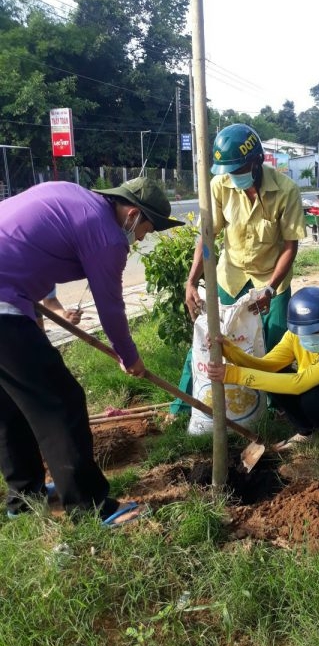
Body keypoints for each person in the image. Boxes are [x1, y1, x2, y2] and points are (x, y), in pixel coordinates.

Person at [0, 177, 184, 524]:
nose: (142, 237)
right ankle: (90, 508)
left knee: (10, 404)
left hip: (8, 292)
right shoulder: (107, 234)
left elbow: (25, 240)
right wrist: (129, 357)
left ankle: (24, 498)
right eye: (146, 228)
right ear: (132, 214)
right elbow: (111, 309)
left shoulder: (74, 196)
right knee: (62, 402)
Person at [169, 123, 306, 416]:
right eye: (230, 170)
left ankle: (274, 405)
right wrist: (191, 281)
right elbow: (207, 237)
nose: (235, 176)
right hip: (231, 274)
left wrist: (269, 288)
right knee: (210, 334)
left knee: (276, 342)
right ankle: (184, 404)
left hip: (272, 278)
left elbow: (290, 247)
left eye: (239, 168)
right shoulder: (220, 186)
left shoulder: (286, 191)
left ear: (257, 161)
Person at [206, 287, 319, 466]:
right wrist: (229, 349)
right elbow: (265, 366)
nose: (308, 336)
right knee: (276, 377)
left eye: (315, 330)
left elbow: (299, 383)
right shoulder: (294, 336)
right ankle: (307, 432)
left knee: (313, 398)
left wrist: (234, 374)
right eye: (303, 330)